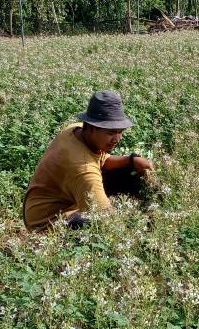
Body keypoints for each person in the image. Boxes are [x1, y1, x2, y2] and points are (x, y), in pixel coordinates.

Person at [23, 90, 154, 232]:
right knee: (98, 225)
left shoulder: (75, 130)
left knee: (128, 170)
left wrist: (131, 160)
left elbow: (101, 160)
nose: (117, 139)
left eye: (120, 131)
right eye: (110, 133)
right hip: (47, 224)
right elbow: (106, 218)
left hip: (44, 207)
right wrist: (138, 224)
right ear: (91, 127)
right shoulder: (83, 169)